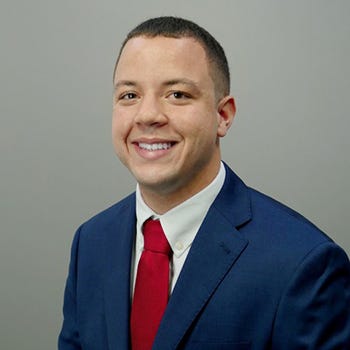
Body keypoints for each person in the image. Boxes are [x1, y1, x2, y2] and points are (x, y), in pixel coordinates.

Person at [58, 16, 350, 349]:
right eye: (129, 95)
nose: (147, 115)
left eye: (177, 94)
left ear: (222, 116)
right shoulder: (91, 242)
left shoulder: (304, 264)